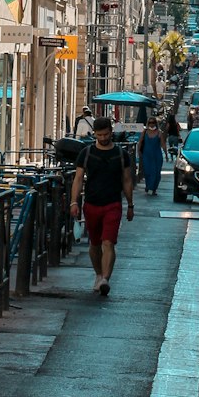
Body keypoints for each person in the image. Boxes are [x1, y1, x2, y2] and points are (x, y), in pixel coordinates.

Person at [70, 114, 134, 297]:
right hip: (91, 204)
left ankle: (106, 279)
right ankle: (98, 274)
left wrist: (130, 204)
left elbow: (127, 180)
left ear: (111, 132)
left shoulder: (121, 155)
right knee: (95, 244)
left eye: (106, 134)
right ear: (94, 134)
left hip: (113, 204)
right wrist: (74, 202)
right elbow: (78, 179)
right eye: (99, 135)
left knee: (108, 242)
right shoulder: (87, 153)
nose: (103, 138)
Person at [138, 117, 165, 195]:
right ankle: (148, 186)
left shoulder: (159, 132)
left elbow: (163, 144)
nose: (151, 124)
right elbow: (140, 142)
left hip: (157, 155)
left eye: (153, 122)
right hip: (147, 155)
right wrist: (138, 151)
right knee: (147, 172)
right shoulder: (145, 132)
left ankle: (153, 189)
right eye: (150, 122)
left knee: (156, 173)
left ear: (155, 123)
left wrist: (166, 154)